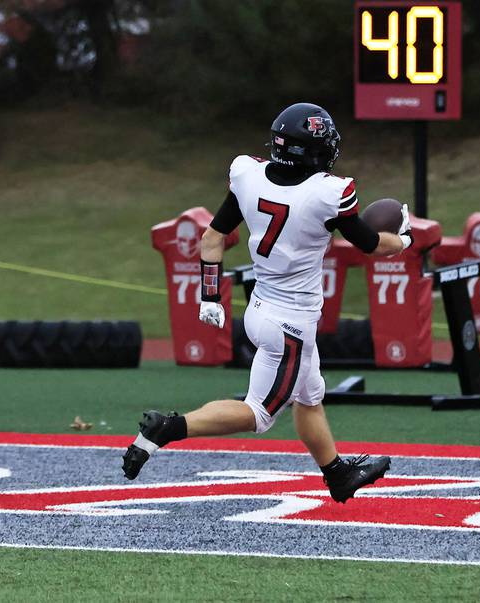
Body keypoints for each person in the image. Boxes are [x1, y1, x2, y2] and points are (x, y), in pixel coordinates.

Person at [122, 103, 413, 503]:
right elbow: (368, 243)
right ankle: (167, 428)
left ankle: (338, 475)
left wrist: (210, 295)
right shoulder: (329, 193)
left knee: (310, 397)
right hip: (289, 323)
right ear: (310, 150)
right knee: (259, 414)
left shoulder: (247, 174)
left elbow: (210, 239)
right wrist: (405, 241)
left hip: (262, 308)